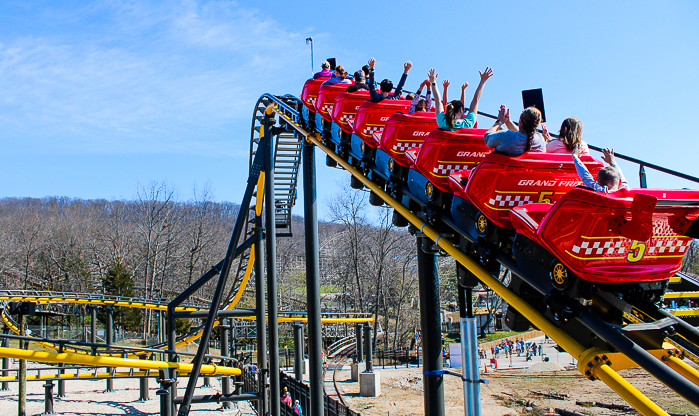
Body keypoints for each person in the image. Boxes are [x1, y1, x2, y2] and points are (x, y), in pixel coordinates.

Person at [429, 67, 493, 131]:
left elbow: (438, 101)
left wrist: (433, 82)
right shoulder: (467, 124)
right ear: (461, 110)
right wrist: (483, 81)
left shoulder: (443, 122)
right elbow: (475, 100)